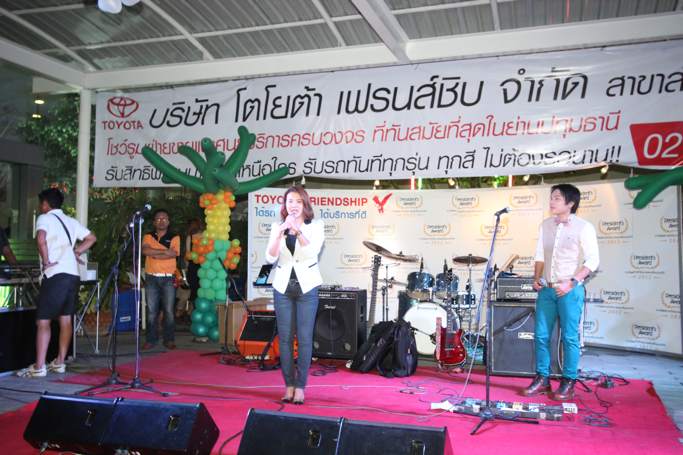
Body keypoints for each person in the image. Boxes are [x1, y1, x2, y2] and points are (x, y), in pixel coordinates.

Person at [522, 184, 599, 400]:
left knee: (569, 337)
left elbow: (593, 261)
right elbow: (540, 255)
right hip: (546, 290)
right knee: (541, 335)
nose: (552, 201)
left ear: (570, 203)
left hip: (570, 290)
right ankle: (542, 378)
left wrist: (572, 283)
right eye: (551, 197)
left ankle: (568, 381)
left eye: (557, 198)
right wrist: (536, 278)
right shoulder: (545, 225)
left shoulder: (584, 227)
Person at [17, 188, 96, 377]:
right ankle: (59, 362)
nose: (40, 206)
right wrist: (76, 252)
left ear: (45, 204)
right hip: (72, 275)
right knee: (66, 318)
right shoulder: (71, 221)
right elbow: (91, 238)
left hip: (55, 274)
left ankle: (39, 366)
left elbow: (41, 239)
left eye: (40, 203)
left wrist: (46, 261)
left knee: (43, 321)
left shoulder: (44, 218)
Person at [265, 185, 324, 405]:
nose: (294, 205)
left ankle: (300, 387)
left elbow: (311, 252)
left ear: (305, 204)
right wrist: (280, 232)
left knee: (305, 338)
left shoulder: (315, 226)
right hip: (282, 289)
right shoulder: (277, 227)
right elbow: (270, 257)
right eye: (290, 201)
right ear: (285, 205)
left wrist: (297, 231)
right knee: (286, 339)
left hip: (307, 288)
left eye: (298, 201)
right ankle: (288, 385)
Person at [142, 209, 180, 350]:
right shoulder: (148, 236)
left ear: (168, 222)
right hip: (151, 277)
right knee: (152, 311)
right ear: (154, 222)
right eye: (158, 219)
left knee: (169, 311)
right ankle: (151, 340)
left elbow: (173, 254)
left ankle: (169, 340)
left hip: (168, 278)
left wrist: (155, 254)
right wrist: (164, 252)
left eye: (164, 218)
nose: (161, 221)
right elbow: (145, 251)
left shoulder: (174, 237)